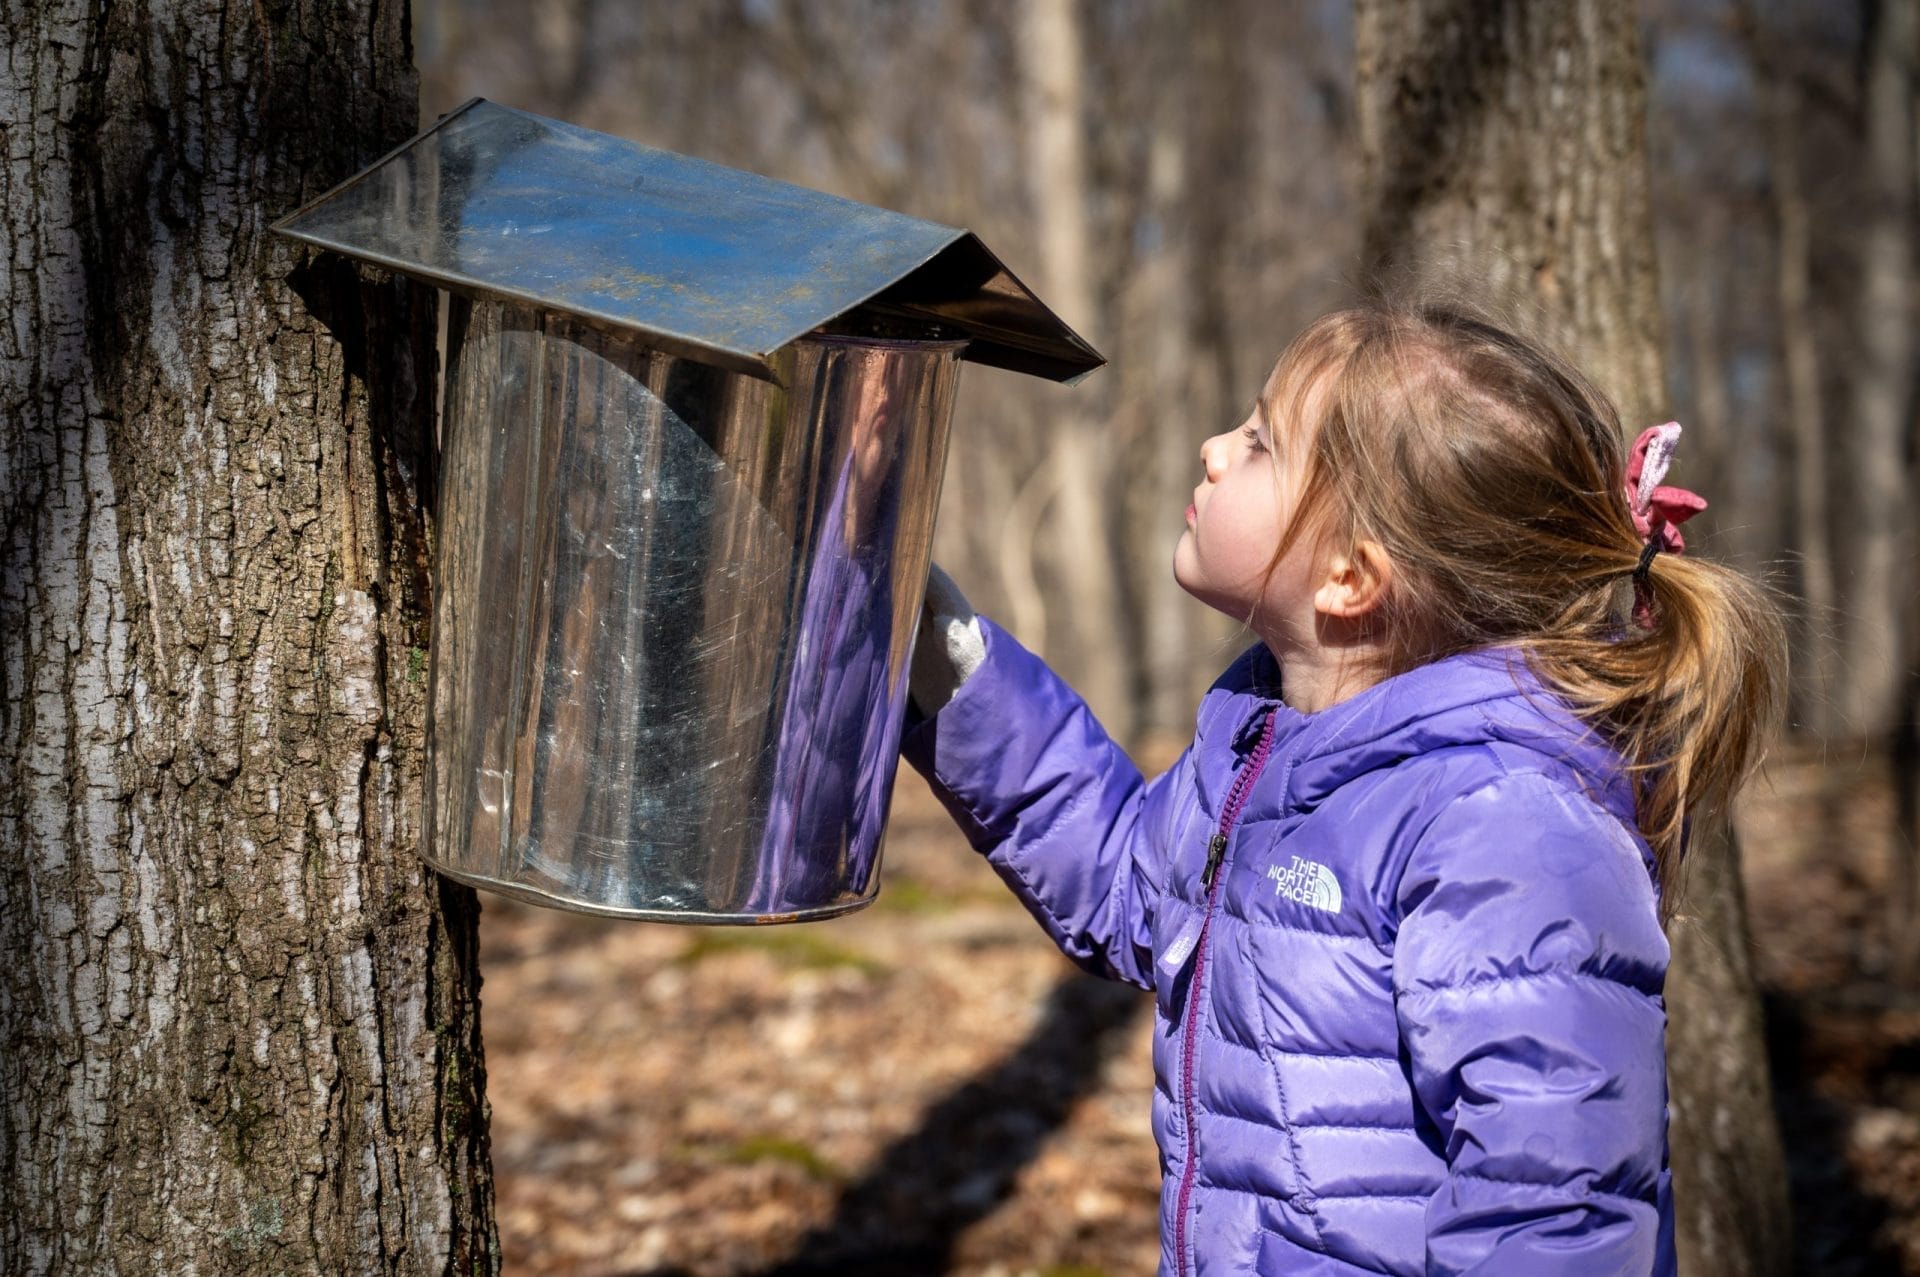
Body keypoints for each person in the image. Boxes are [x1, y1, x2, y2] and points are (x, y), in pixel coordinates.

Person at [900, 299, 1787, 1276]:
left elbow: (1556, 1213)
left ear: (1351, 576)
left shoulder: (1505, 823)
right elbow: (1125, 887)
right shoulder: (1264, 748)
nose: (1212, 449)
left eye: (1260, 441)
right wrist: (953, 669)